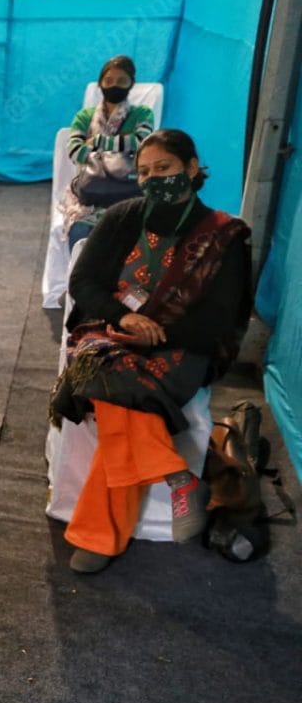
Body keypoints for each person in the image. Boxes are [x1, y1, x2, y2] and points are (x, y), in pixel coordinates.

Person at [50, 129, 251, 574]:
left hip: (183, 346)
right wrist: (123, 319)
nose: (154, 178)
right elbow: (84, 284)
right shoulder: (123, 217)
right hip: (110, 335)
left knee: (124, 394)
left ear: (193, 169)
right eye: (145, 172)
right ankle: (177, 476)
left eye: (165, 168)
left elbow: (220, 318)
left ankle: (101, 536)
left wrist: (156, 333)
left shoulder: (224, 236)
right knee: (114, 376)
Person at [59, 55, 155, 247]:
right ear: (100, 83)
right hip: (90, 199)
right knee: (79, 234)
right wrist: (122, 147)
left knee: (134, 237)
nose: (114, 85)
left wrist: (98, 142)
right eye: (109, 80)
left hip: (131, 193)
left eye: (122, 80)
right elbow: (75, 152)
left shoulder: (143, 114)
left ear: (131, 84)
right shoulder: (84, 116)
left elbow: (140, 143)